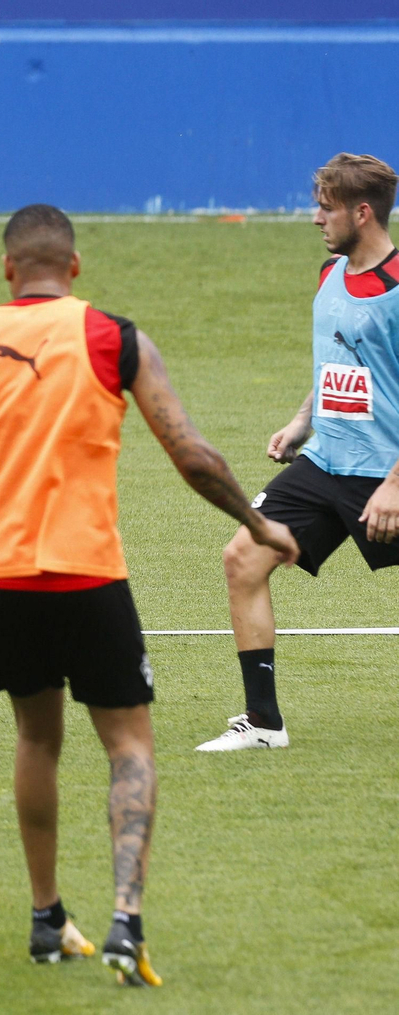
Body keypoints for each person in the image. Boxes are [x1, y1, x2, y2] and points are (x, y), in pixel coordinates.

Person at [0, 205, 298, 985]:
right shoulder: (114, 337)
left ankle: (46, 918)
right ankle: (124, 918)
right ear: (73, 268)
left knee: (37, 741)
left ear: (8, 271)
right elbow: (193, 454)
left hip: (1, 575)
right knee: (129, 745)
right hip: (89, 574)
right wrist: (259, 522)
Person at [199, 153, 399, 751]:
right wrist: (302, 421)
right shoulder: (328, 274)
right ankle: (263, 723)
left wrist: (393, 484)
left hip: (384, 473)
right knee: (244, 558)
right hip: (327, 462)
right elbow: (340, 360)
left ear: (362, 213)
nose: (316, 218)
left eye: (326, 207)